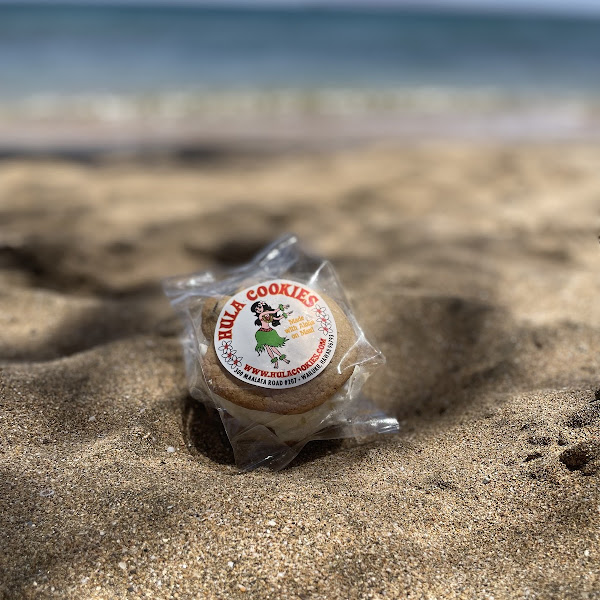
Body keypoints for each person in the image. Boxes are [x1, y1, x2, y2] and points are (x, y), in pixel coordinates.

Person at [250, 301, 292, 369]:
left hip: (270, 332)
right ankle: (276, 362)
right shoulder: (261, 315)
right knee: (267, 347)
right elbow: (273, 311)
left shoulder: (269, 316)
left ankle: (283, 359)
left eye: (259, 307)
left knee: (272, 346)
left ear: (263, 306)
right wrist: (281, 307)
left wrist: (285, 314)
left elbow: (277, 318)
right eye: (256, 310)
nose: (258, 310)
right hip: (262, 333)